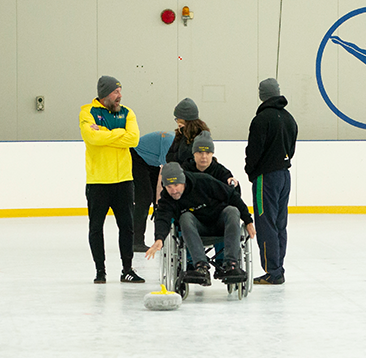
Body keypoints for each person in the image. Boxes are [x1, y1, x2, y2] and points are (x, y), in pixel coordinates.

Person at [146, 162, 256, 287]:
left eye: (176, 185)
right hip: (195, 229)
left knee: (232, 210)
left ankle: (231, 264)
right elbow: (162, 218)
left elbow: (232, 196)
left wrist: (248, 221)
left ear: (183, 182)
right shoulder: (167, 199)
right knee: (185, 217)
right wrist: (159, 239)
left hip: (219, 223)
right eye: (169, 187)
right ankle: (200, 266)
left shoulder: (203, 181)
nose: (174, 190)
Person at [79, 75, 144, 284]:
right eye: (116, 92)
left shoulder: (127, 112)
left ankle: (127, 270)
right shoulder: (87, 112)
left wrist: (106, 133)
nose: (120, 96)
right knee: (96, 228)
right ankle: (100, 271)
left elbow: (133, 139)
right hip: (98, 182)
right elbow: (92, 138)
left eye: (120, 91)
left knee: (127, 227)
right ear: (105, 93)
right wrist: (119, 134)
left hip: (124, 180)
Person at [245, 78, 298, 285]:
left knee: (265, 222)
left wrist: (251, 171)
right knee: (279, 223)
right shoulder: (289, 119)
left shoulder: (261, 120)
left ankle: (272, 271)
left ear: (262, 95)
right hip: (284, 175)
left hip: (266, 177)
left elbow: (254, 151)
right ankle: (278, 268)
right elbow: (291, 149)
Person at [131, 130, 174, 252]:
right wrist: (159, 198)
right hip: (137, 157)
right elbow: (164, 171)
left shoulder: (178, 143)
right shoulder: (170, 141)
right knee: (144, 199)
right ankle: (136, 241)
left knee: (158, 201)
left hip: (151, 161)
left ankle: (159, 240)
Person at [165, 98, 210, 166]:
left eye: (178, 119)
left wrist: (184, 132)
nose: (176, 121)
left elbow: (184, 155)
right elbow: (168, 157)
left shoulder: (201, 136)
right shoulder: (179, 133)